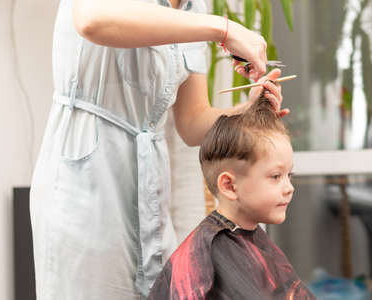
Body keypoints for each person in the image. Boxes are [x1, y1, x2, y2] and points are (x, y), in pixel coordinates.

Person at [29, 0, 289, 299]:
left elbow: (192, 123)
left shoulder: (195, 9)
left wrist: (247, 108)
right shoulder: (210, 23)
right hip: (86, 184)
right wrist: (223, 28)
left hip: (150, 189)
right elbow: (92, 20)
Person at [148, 94, 317, 299]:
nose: (289, 188)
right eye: (275, 176)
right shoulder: (210, 253)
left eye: (289, 176)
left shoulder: (245, 238)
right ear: (229, 185)